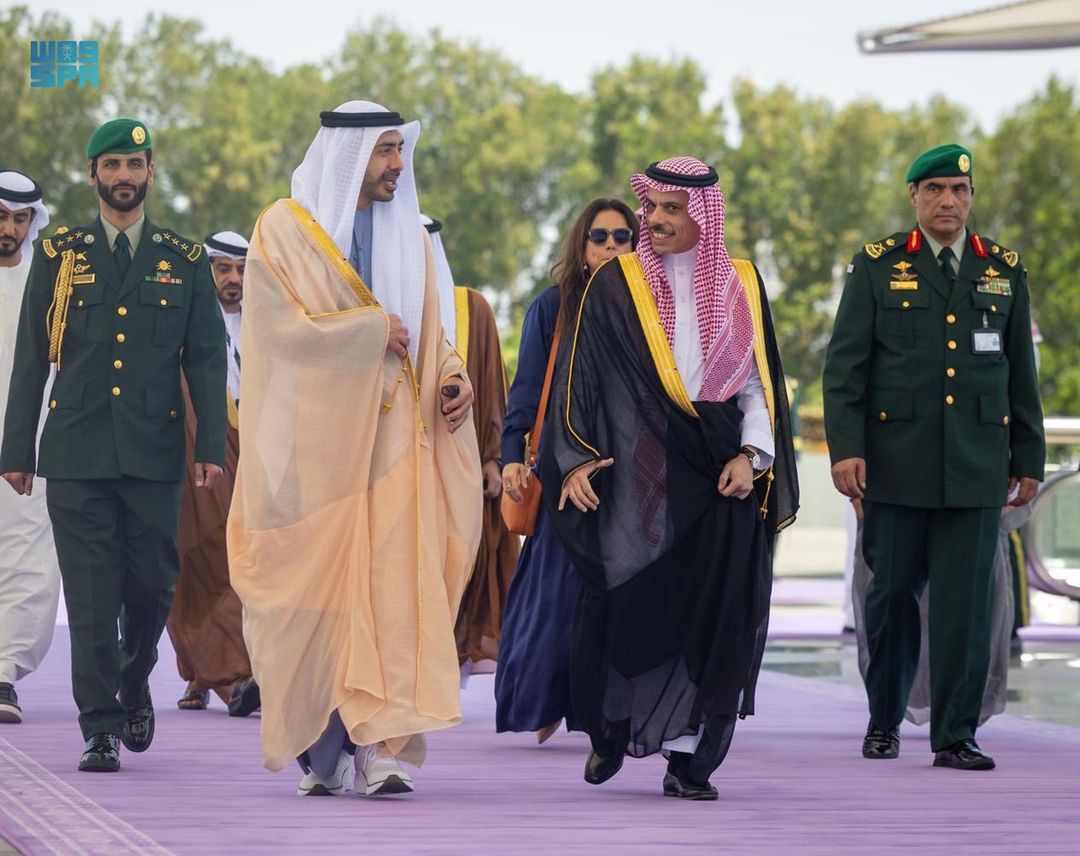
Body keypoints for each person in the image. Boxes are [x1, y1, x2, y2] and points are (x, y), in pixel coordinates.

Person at [227, 101, 482, 798]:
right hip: (316, 458)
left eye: (400, 150)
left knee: (392, 597)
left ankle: (381, 747)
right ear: (349, 156)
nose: (398, 165)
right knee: (318, 603)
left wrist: (453, 377)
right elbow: (276, 332)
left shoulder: (412, 237)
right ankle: (323, 750)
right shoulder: (284, 230)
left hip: (397, 453)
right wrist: (368, 333)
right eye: (385, 151)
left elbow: (430, 332)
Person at [540, 158, 798, 799]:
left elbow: (759, 385)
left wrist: (753, 457)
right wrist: (576, 458)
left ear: (703, 217)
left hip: (720, 470)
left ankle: (686, 759)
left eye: (669, 209)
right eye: (650, 208)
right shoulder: (617, 283)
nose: (652, 220)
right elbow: (580, 376)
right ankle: (611, 727)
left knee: (713, 612)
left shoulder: (742, 282)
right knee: (626, 599)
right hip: (640, 468)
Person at [0, 118, 227, 772]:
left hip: (154, 453)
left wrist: (210, 444)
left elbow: (205, 358)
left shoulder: (183, 260)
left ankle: (134, 677)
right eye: (111, 165)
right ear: (93, 175)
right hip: (76, 450)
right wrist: (17, 451)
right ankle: (99, 727)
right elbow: (32, 358)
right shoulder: (59, 255)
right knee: (92, 596)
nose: (123, 176)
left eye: (133, 164)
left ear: (150, 172)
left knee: (152, 588)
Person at [823, 143, 1044, 771]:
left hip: (977, 465)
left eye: (959, 190)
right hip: (897, 465)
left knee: (965, 607)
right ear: (914, 197)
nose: (948, 200)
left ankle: (955, 734)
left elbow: (1020, 375)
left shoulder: (1002, 270)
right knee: (891, 597)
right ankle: (884, 721)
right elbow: (845, 369)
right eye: (936, 189)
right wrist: (847, 451)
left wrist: (1028, 459)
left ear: (971, 198)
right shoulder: (877, 266)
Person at [495, 198, 638, 743]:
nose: (610, 246)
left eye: (622, 237)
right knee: (556, 595)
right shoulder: (554, 307)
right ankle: (545, 702)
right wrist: (512, 455)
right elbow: (528, 389)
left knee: (620, 595)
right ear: (581, 245)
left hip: (630, 473)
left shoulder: (652, 309)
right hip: (562, 470)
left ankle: (601, 711)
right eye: (599, 237)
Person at [421, 217, 520, 679]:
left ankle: (461, 648)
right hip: (409, 461)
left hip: (464, 460)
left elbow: (494, 387)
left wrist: (494, 457)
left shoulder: (472, 307)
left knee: (468, 549)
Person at [167, 231, 256, 714]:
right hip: (197, 455)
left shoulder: (265, 323)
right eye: (223, 269)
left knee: (243, 561)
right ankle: (211, 672)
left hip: (254, 452)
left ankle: (230, 670)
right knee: (201, 559)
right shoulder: (183, 321)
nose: (233, 279)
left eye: (241, 270)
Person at [0, 170, 57, 725]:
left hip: (29, 443)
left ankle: (4, 672)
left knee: (30, 557)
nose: (9, 228)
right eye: (1, 216)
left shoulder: (46, 285)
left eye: (20, 219)